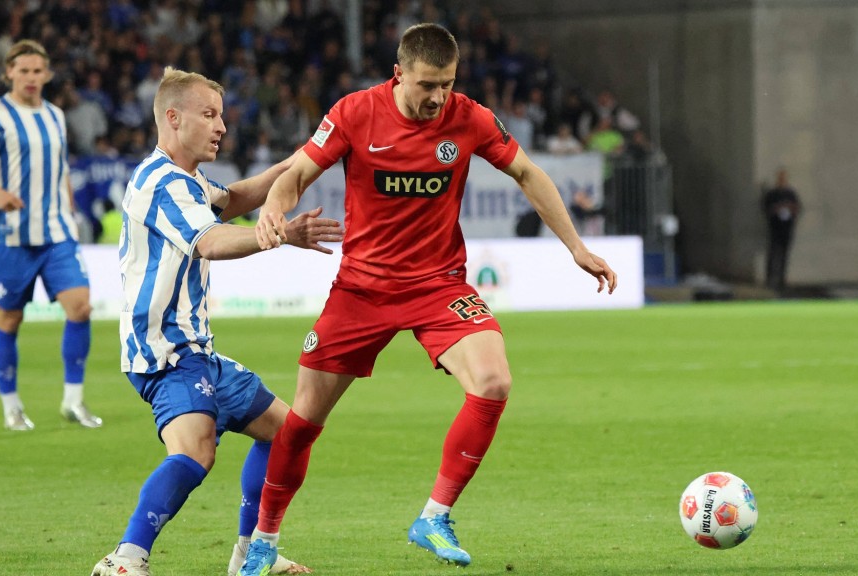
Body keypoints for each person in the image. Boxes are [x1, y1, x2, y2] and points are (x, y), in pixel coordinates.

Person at [239, 23, 617, 574]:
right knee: (303, 420)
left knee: (494, 381)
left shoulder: (469, 118)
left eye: (446, 84)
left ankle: (434, 517)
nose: (437, 97)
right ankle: (263, 544)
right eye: (426, 86)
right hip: (361, 291)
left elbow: (528, 173)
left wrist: (576, 247)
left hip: (438, 285)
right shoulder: (355, 113)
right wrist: (274, 208)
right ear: (399, 75)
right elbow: (295, 172)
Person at [91, 67, 343, 576]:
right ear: (172, 117)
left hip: (197, 351)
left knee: (285, 433)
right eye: (209, 115)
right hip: (164, 353)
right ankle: (125, 560)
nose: (221, 126)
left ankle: (250, 555)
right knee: (195, 451)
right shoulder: (158, 182)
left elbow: (238, 199)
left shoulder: (188, 182)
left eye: (221, 116)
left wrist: (311, 155)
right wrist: (277, 235)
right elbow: (209, 240)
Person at [0, 39, 102, 431]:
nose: (31, 77)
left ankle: (73, 401)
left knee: (80, 306)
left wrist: (69, 207)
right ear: (8, 73)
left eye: (37, 71)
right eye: (23, 70)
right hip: (9, 235)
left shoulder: (56, 115)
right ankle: (12, 407)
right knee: (9, 319)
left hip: (57, 232)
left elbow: (58, 169)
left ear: (48, 75)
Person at [761, 168, 801, 292]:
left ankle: (782, 279)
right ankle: (770, 279)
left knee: (784, 254)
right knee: (773, 253)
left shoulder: (790, 194)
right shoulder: (772, 194)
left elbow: (797, 207)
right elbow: (766, 208)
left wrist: (790, 208)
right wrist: (777, 209)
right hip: (775, 227)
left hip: (787, 227)